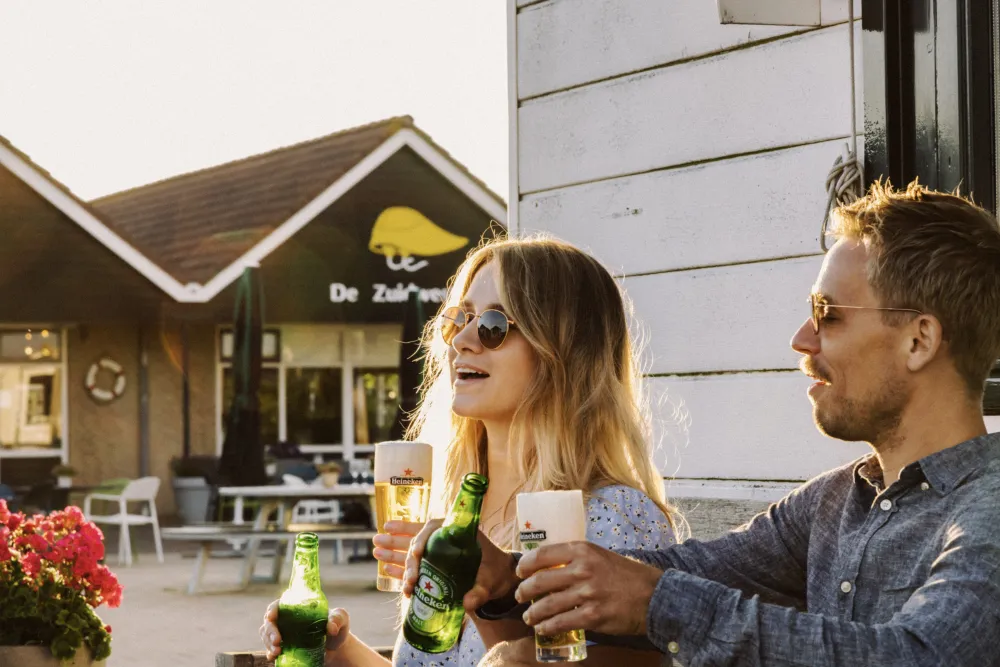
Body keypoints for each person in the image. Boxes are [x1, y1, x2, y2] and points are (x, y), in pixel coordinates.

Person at [407, 180, 1000, 666]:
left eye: (829, 315)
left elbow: (917, 656)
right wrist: (505, 575)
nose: (801, 339)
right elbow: (694, 568)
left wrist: (656, 602)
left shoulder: (988, 507)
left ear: (919, 341)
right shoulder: (834, 501)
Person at [260, 235, 684, 666]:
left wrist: (484, 596)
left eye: (493, 325)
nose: (461, 340)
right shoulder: (457, 508)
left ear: (564, 350)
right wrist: (337, 650)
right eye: (459, 319)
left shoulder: (615, 518)